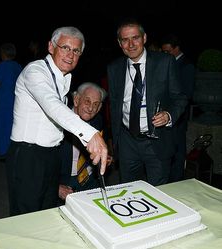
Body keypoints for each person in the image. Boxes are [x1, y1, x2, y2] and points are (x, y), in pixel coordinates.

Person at [6, 26, 108, 216]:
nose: (70, 55)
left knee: (48, 211)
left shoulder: (64, 78)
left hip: (51, 156)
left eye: (76, 50)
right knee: (26, 216)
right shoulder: (35, 71)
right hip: (29, 155)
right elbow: (52, 105)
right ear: (51, 47)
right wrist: (91, 134)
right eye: (65, 48)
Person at [107, 18, 187, 186]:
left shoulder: (164, 62)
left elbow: (180, 97)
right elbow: (114, 107)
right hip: (127, 140)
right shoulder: (114, 68)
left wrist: (168, 115)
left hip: (157, 140)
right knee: (128, 189)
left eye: (135, 38)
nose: (131, 44)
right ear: (119, 43)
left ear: (144, 38)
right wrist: (113, 142)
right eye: (125, 40)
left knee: (159, 192)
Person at [59, 82, 112, 201]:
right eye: (87, 101)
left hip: (90, 177)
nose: (90, 108)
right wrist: (56, 187)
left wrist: (105, 157)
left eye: (96, 104)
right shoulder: (58, 122)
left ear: (99, 108)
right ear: (76, 99)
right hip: (63, 180)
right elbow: (42, 163)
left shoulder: (98, 121)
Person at [161, 34, 195, 182]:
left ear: (177, 48)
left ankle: (177, 181)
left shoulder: (186, 65)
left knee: (179, 150)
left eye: (168, 51)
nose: (165, 54)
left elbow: (187, 93)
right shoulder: (167, 63)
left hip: (179, 116)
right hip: (166, 115)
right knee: (168, 149)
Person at [0, 43, 22, 158]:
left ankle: (3, 151)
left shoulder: (3, 65)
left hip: (4, 100)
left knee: (3, 125)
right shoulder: (17, 65)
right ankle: (14, 151)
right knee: (13, 125)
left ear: (4, 53)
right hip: (16, 100)